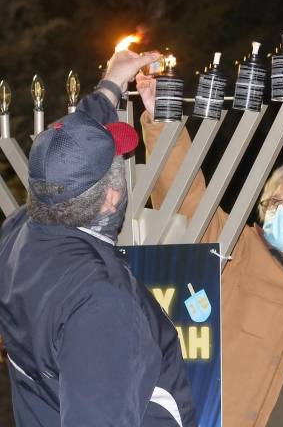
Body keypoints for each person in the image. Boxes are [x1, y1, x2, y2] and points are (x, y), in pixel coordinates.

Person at [136, 72, 283, 427]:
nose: (280, 209)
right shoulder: (236, 253)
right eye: (271, 203)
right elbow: (186, 198)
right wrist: (164, 120)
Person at [0, 51, 197, 427]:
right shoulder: (102, 302)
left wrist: (111, 83)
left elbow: (68, 148)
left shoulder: (18, 232)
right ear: (111, 198)